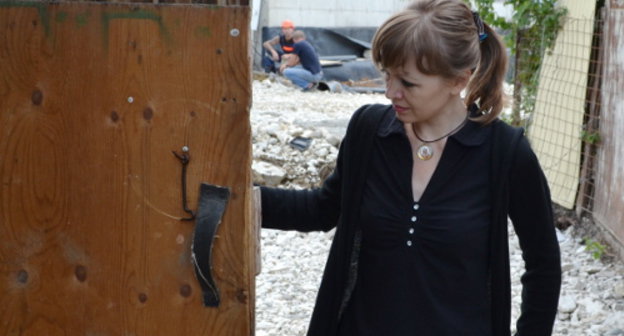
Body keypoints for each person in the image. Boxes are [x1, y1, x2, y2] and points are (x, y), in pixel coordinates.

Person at [260, 0, 561, 335]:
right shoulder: (369, 132)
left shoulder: (505, 153)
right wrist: (238, 200)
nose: (390, 92)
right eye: (386, 75)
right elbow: (320, 209)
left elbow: (543, 264)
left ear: (458, 80)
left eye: (408, 82)